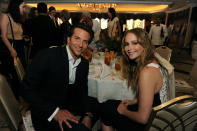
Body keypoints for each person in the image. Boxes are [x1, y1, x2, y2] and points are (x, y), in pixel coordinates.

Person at [21, 23, 97, 131]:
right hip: (46, 112)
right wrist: (55, 112)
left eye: (85, 41)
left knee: (101, 106)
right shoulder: (47, 56)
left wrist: (87, 114)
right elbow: (26, 90)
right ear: (68, 39)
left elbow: (83, 90)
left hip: (69, 105)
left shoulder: (84, 63)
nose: (81, 45)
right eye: (77, 38)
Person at [99, 28, 169, 131]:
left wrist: (124, 111)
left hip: (152, 125)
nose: (129, 48)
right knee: (108, 104)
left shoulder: (147, 72)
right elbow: (153, 94)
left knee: (106, 110)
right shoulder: (153, 62)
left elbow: (143, 119)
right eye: (127, 44)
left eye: (135, 43)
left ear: (144, 45)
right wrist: (134, 101)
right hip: (157, 115)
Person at [0, 0, 26, 99]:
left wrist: (24, 38)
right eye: (22, 6)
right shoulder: (6, 17)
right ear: (16, 6)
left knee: (21, 74)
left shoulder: (17, 18)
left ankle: (20, 97)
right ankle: (14, 99)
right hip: (11, 47)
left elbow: (18, 34)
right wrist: (11, 50)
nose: (23, 9)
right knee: (15, 75)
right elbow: (3, 36)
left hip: (19, 47)